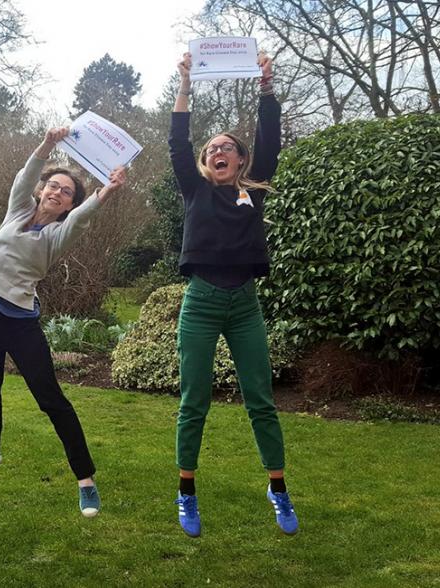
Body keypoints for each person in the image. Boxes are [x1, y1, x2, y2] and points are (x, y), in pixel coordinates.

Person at [0, 127, 126, 517]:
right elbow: (24, 175)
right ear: (41, 189)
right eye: (52, 185)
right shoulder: (17, 210)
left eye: (66, 191)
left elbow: (84, 218)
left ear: (69, 204)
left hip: (20, 319)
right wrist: (49, 142)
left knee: (50, 398)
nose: (56, 192)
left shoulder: (58, 234)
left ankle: (85, 478)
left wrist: (108, 190)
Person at [169, 51, 299, 537]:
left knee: (261, 400)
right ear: (205, 163)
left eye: (227, 147)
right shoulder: (194, 190)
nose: (217, 152)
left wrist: (267, 86)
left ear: (241, 159)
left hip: (245, 304)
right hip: (201, 303)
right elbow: (177, 142)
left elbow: (271, 138)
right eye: (211, 150)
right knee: (193, 401)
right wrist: (184, 83)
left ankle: (279, 489)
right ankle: (186, 494)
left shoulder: (254, 188)